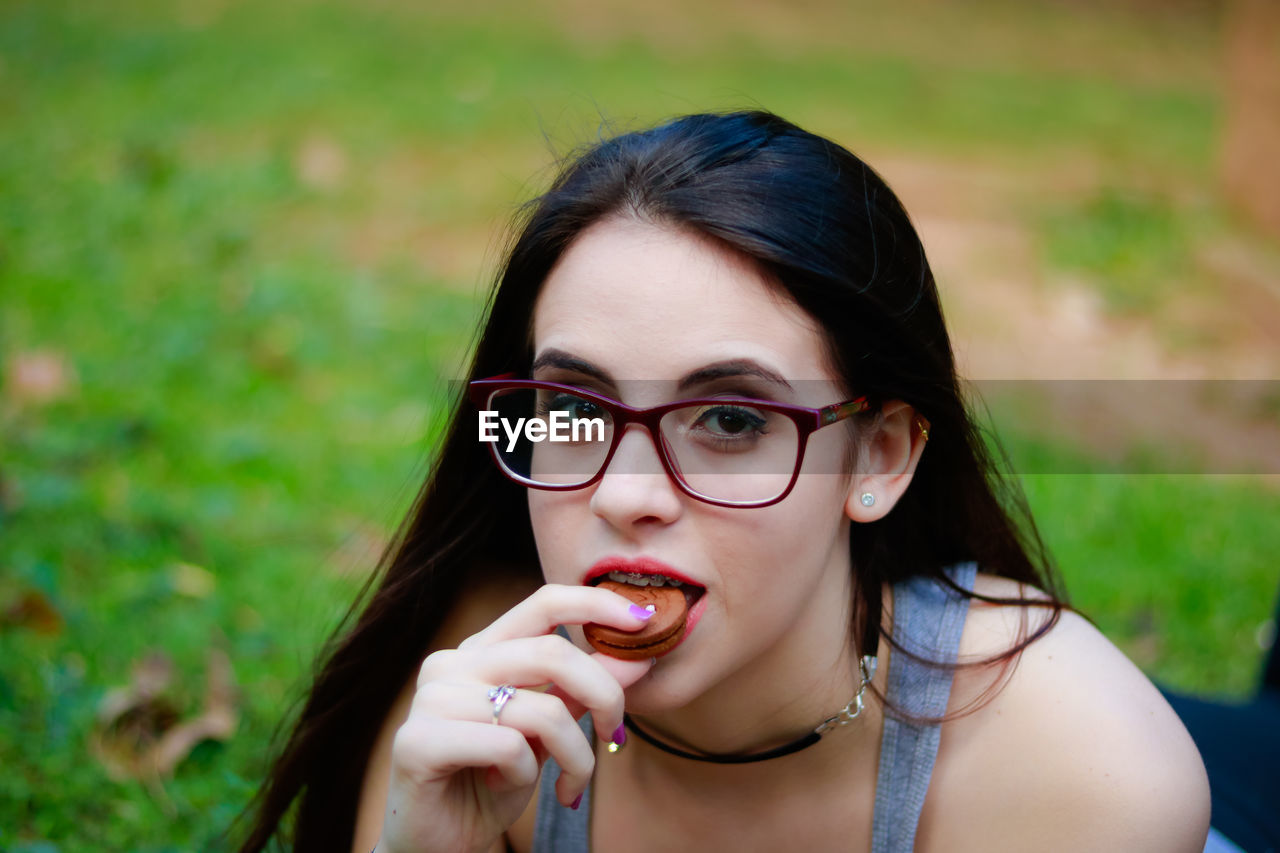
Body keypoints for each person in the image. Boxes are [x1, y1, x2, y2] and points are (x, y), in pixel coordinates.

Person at [235, 110, 1211, 852]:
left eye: (732, 420)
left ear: (877, 457)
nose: (624, 493)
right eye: (573, 410)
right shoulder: (479, 686)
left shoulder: (1085, 772)